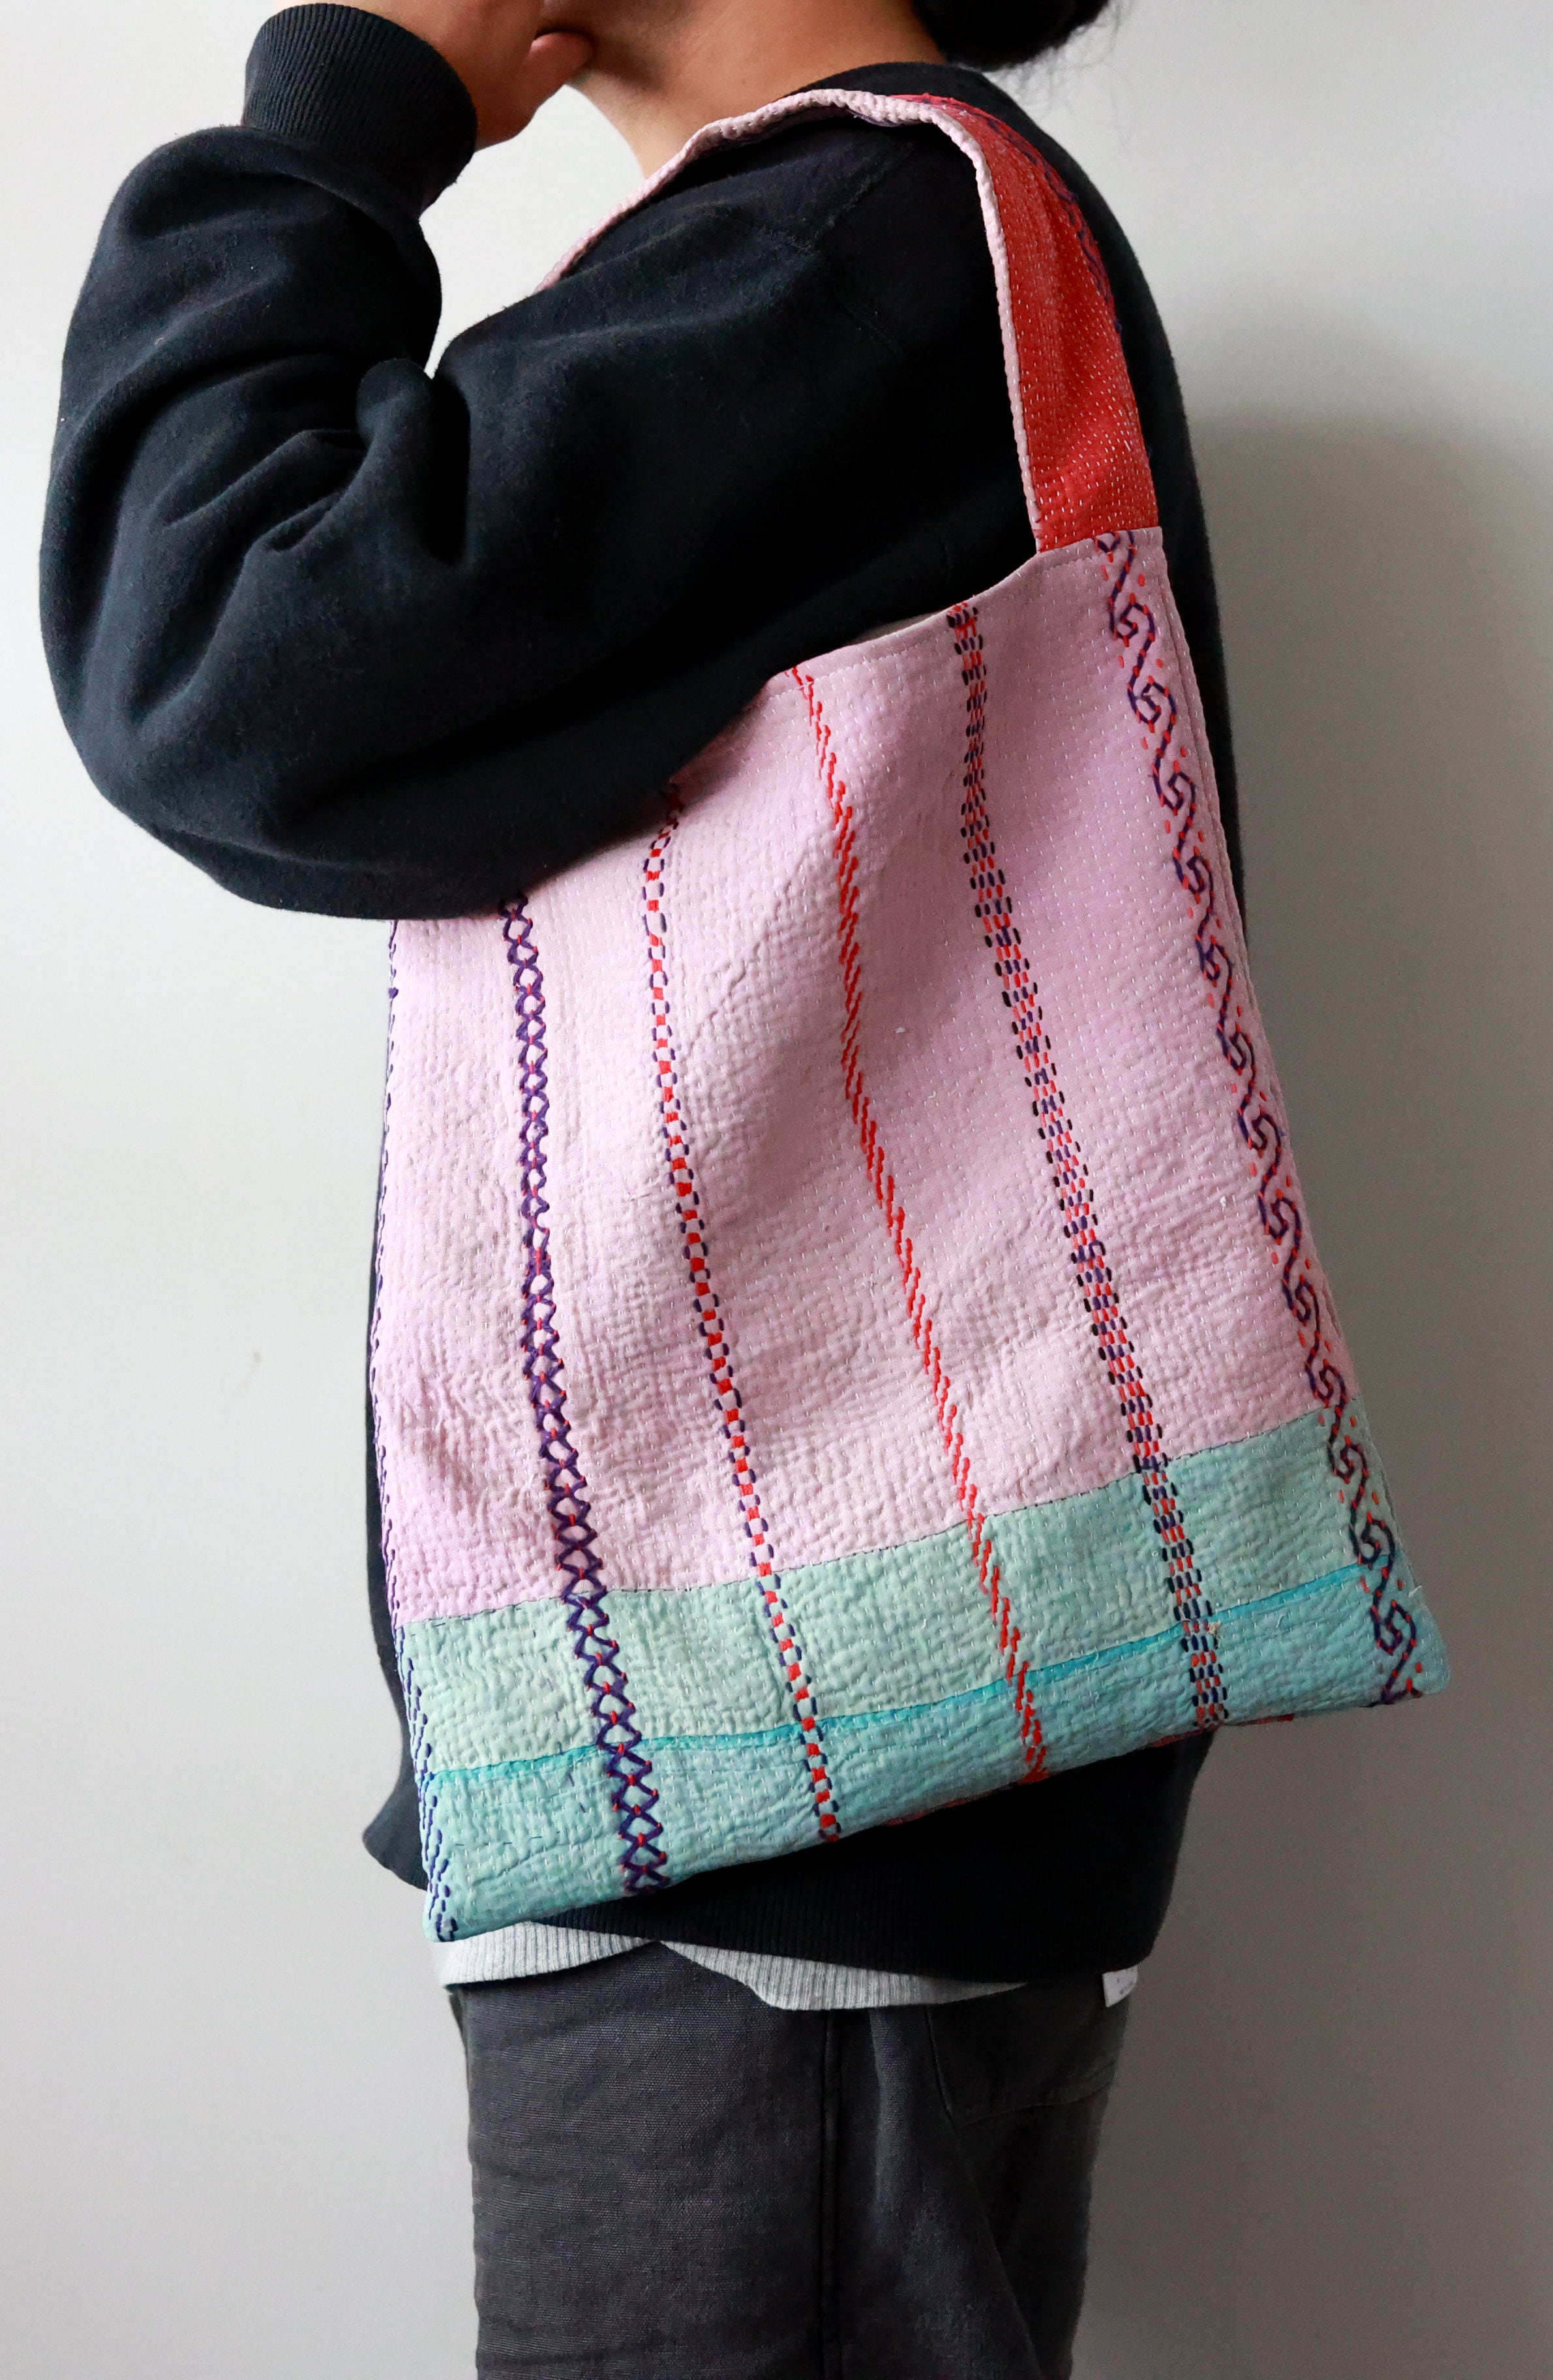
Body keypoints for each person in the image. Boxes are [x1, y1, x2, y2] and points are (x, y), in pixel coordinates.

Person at [42, 3, 1241, 2370]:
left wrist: (349, 99)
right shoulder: (862, 252)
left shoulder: (851, 247)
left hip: (779, 1825)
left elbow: (226, 656)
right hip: (815, 1805)